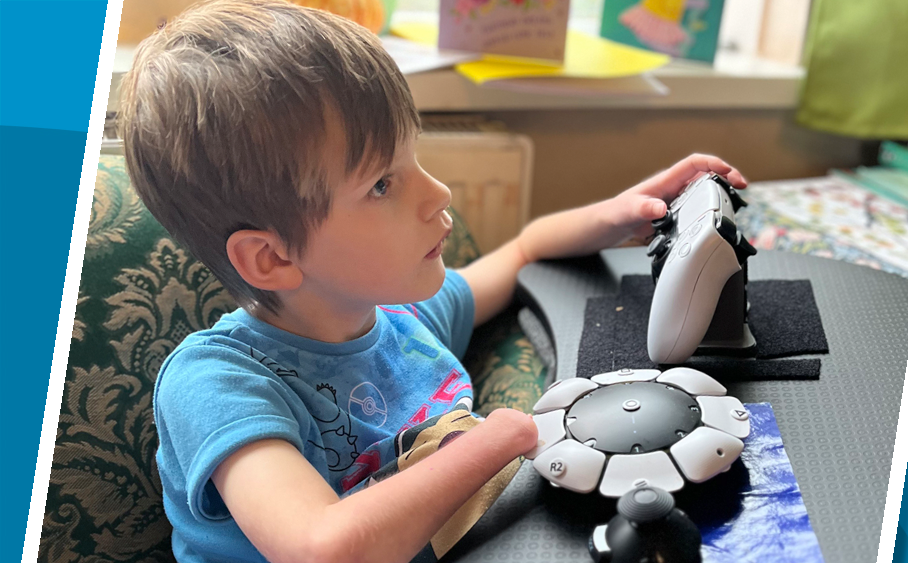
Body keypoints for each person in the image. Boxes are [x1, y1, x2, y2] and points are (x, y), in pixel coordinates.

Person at [116, 1, 747, 562]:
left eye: (413, 158)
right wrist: (501, 437)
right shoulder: (217, 383)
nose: (438, 193)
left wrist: (623, 214)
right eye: (382, 184)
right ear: (271, 258)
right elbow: (323, 548)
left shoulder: (399, 321)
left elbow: (522, 251)